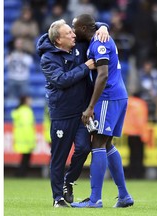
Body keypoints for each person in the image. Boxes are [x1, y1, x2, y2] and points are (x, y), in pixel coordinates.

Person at [36, 19, 109, 207]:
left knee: (84, 148)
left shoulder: (80, 44)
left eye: (72, 31)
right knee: (59, 156)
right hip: (62, 113)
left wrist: (103, 27)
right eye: (69, 33)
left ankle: (68, 181)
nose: (74, 35)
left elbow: (88, 24)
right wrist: (85, 67)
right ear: (59, 40)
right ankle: (57, 198)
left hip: (82, 113)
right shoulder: (48, 58)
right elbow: (61, 80)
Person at [70, 14, 134, 208]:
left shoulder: (99, 43)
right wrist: (103, 25)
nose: (73, 31)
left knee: (97, 142)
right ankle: (123, 195)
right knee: (106, 145)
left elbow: (103, 75)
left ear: (82, 29)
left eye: (74, 28)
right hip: (117, 95)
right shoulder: (98, 35)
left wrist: (90, 107)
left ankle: (95, 199)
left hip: (108, 96)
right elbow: (95, 24)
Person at [122, 92, 149, 179]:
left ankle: (130, 174)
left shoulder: (128, 103)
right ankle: (138, 174)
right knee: (139, 155)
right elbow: (140, 121)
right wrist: (144, 134)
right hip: (138, 134)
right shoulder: (140, 105)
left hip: (129, 132)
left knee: (132, 155)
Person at [11, 95, 36, 177]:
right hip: (26, 138)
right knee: (26, 158)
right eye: (29, 100)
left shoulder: (19, 111)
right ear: (25, 101)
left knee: (25, 158)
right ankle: (21, 174)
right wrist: (31, 140)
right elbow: (27, 127)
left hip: (21, 137)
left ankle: (20, 173)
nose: (31, 101)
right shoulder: (26, 111)